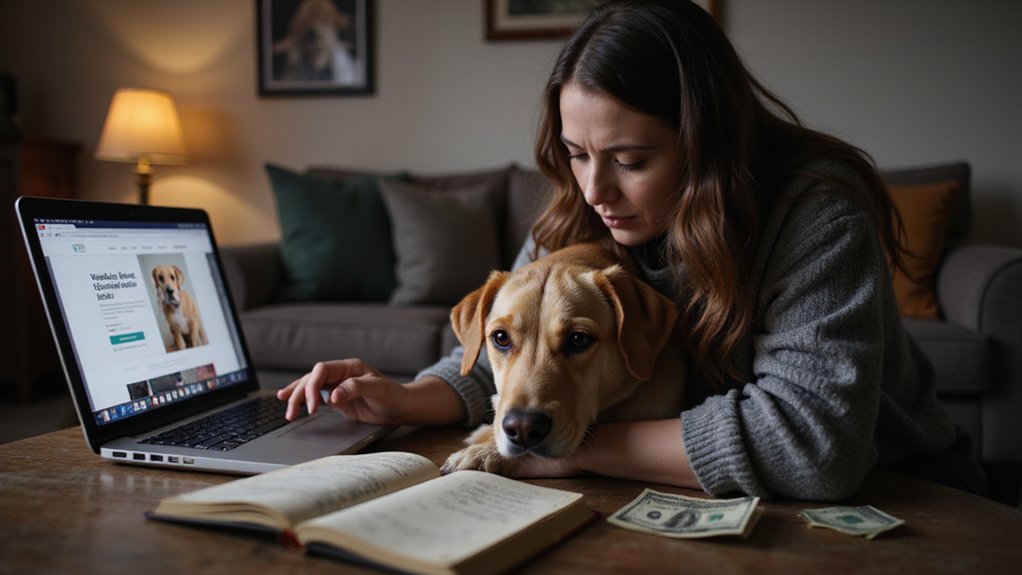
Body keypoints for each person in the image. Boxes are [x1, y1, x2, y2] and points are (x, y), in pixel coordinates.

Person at [278, 0, 985, 500]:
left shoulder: (814, 217)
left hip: (904, 487)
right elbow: (511, 349)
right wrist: (403, 395)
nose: (594, 189)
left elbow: (811, 447)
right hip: (708, 487)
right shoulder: (577, 220)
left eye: (629, 159)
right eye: (577, 153)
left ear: (707, 145)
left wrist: (550, 454)